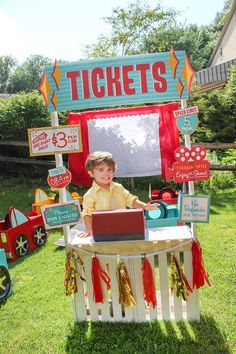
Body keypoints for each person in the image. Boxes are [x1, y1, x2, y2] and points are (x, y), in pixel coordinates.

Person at [80, 151, 159, 237]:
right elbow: (87, 214)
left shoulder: (118, 187)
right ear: (91, 173)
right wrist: (89, 229)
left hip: (123, 227)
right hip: (103, 230)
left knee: (126, 247)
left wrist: (144, 206)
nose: (106, 173)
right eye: (101, 170)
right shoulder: (90, 195)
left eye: (109, 169)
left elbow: (130, 199)